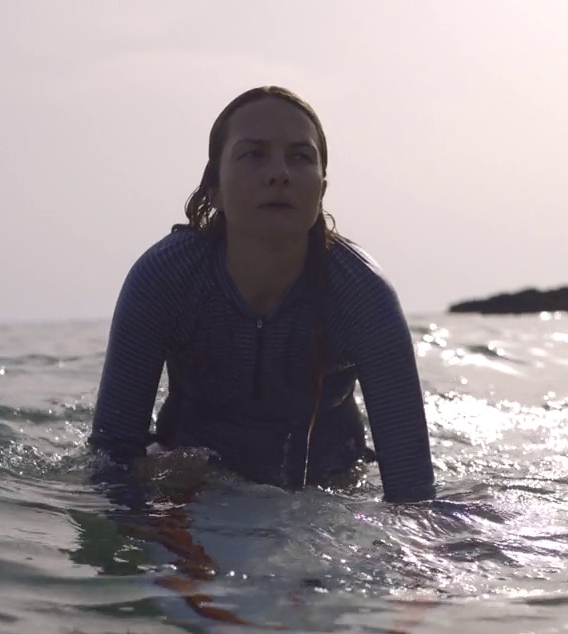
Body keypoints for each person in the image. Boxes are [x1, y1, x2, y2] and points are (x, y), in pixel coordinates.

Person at [88, 86, 436, 506]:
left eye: (300, 157)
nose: (279, 174)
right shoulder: (165, 279)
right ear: (214, 187)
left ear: (322, 188)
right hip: (193, 491)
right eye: (254, 154)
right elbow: (111, 458)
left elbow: (412, 491)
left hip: (326, 496)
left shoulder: (362, 295)